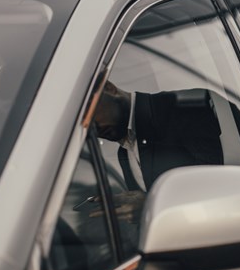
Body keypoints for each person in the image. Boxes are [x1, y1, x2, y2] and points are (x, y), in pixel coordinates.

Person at [92, 81, 224, 192]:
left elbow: (216, 184)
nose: (92, 127)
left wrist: (146, 203)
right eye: (83, 125)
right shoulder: (124, 154)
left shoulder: (181, 107)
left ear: (108, 88)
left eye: (89, 112)